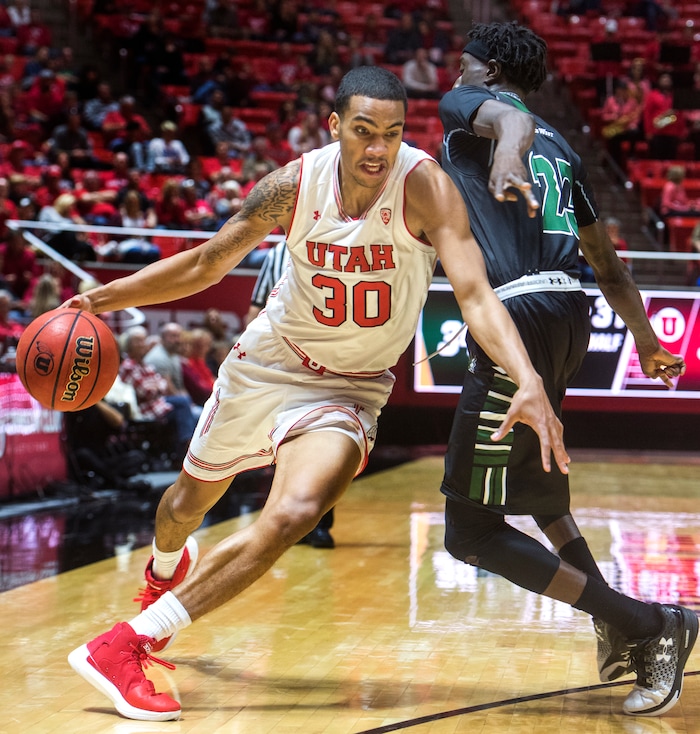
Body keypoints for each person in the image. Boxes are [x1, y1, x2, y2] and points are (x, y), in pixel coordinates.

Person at [65, 65, 569, 722]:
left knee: (298, 508)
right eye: (363, 131)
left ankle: (131, 642)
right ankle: (160, 574)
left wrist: (528, 378)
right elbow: (205, 262)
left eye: (390, 134)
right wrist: (102, 297)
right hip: (270, 361)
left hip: (351, 388)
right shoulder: (291, 186)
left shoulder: (426, 190)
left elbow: (474, 295)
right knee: (183, 507)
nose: (376, 149)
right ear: (334, 127)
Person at [438, 21, 695, 719]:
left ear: (488, 71)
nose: (454, 75)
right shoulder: (567, 151)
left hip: (516, 318)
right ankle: (615, 622)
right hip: (569, 314)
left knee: (470, 532)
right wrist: (643, 339)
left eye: (463, 66)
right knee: (544, 500)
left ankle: (652, 624)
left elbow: (506, 125)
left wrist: (503, 158)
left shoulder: (473, 111)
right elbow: (606, 262)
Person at [245, 239, 335, 548]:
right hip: (281, 361)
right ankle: (285, 520)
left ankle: (319, 523)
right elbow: (256, 309)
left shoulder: (341, 246)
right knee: (284, 443)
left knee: (323, 443)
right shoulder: (276, 254)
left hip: (328, 361)